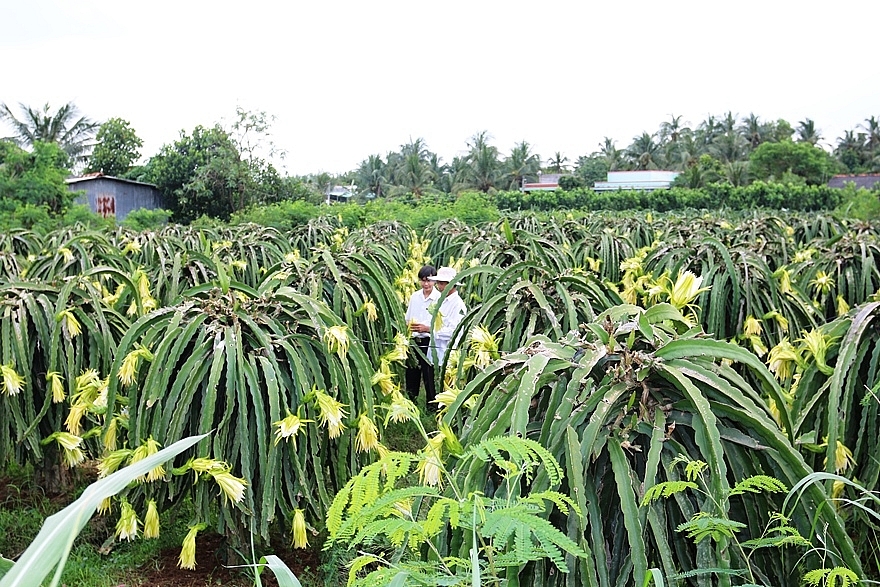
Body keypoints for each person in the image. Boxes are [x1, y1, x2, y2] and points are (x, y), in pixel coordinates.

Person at [405, 265, 439, 404]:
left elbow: (441, 323)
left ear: (435, 281)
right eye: (423, 280)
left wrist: (427, 328)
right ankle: (410, 402)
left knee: (429, 374)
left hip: (429, 341)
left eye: (429, 280)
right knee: (411, 373)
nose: (426, 284)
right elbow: (408, 318)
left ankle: (431, 405)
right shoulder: (415, 297)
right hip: (413, 340)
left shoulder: (439, 298)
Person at [427, 266, 468, 370]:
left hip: (447, 358)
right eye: (438, 283)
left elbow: (455, 331)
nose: (438, 286)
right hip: (433, 355)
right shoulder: (439, 300)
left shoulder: (459, 305)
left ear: (451, 284)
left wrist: (430, 330)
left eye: (441, 283)